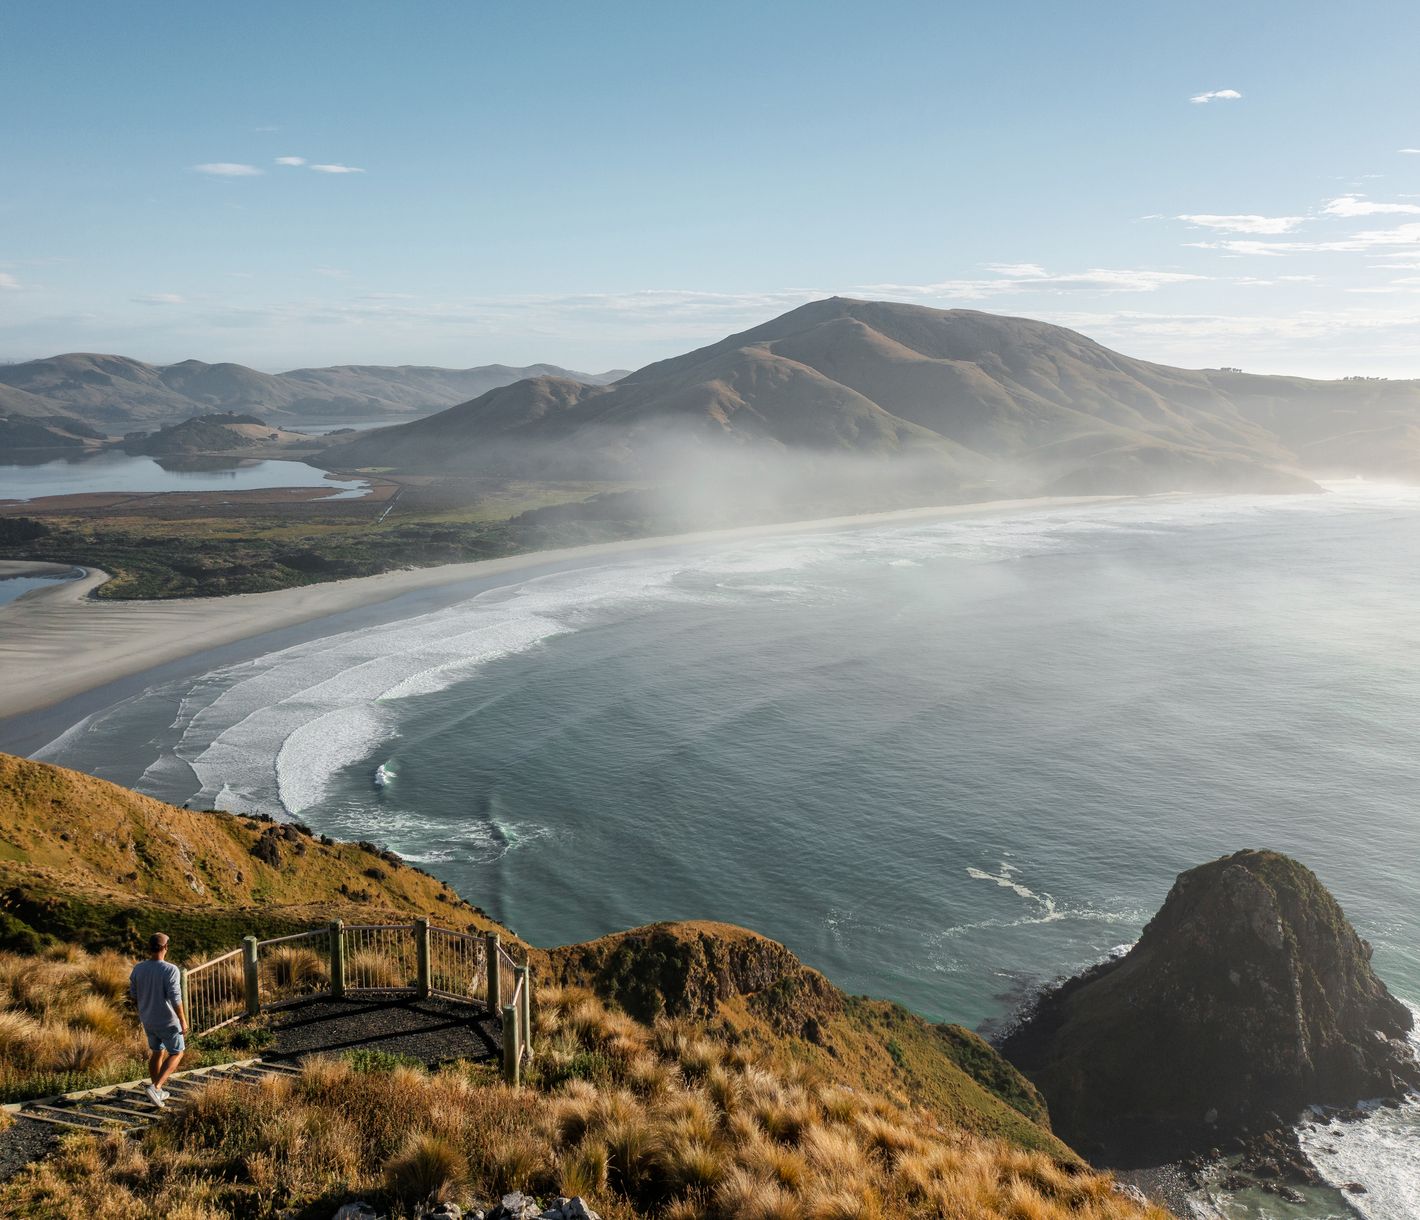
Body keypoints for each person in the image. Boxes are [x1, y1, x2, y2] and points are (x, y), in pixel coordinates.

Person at [128, 932, 188, 1106]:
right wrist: (182, 1020)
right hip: (167, 1021)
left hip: (148, 1020)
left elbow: (134, 994)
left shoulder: (138, 968)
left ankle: (158, 1092)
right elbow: (176, 998)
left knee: (157, 1052)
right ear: (165, 948)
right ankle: (156, 1087)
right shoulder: (170, 969)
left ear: (150, 948)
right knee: (177, 1052)